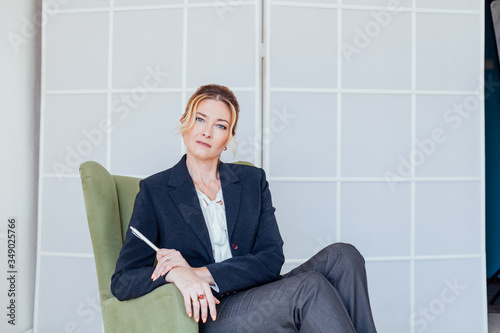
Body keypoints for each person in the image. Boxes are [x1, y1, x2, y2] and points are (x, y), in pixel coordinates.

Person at [111, 84, 377, 333]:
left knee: (344, 255)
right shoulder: (155, 191)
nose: (206, 132)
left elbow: (271, 259)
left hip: (262, 293)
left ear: (228, 138)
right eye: (200, 119)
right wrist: (175, 273)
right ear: (184, 122)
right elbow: (123, 280)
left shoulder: (251, 181)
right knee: (311, 287)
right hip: (214, 312)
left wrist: (197, 272)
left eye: (220, 125)